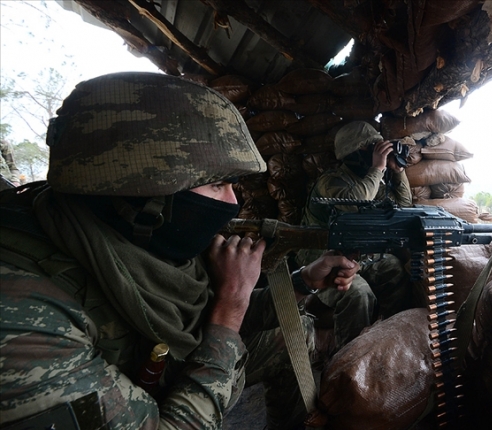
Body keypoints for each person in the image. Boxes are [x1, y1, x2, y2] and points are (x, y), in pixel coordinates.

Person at [0, 72, 358, 430]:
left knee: (295, 336)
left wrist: (301, 282)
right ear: (145, 191)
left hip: (159, 371)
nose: (233, 203)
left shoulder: (139, 236)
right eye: (218, 184)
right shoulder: (24, 317)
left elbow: (199, 316)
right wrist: (229, 312)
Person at [296, 121, 413, 352]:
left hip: (356, 253)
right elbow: (357, 200)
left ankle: (386, 343)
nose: (377, 154)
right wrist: (378, 168)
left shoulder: (372, 182)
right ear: (356, 153)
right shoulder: (331, 182)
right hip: (321, 256)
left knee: (394, 269)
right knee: (358, 293)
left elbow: (404, 206)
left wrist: (397, 172)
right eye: (372, 148)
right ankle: (349, 360)